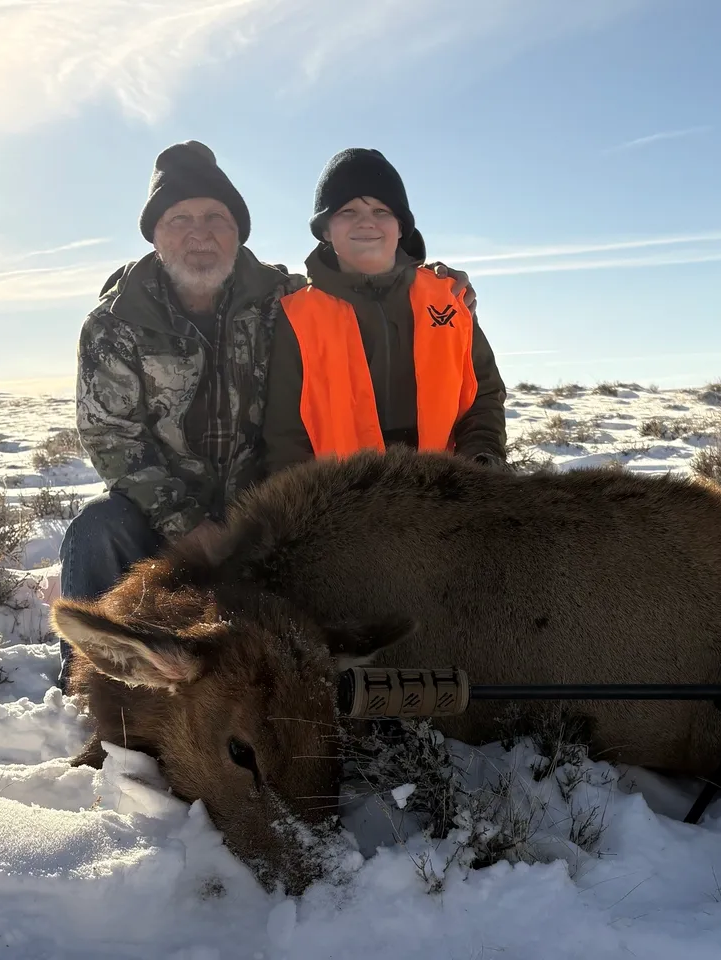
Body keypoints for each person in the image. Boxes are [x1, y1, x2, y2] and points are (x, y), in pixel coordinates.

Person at [56, 140, 476, 689]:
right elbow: (112, 438)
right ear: (155, 235)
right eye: (179, 219)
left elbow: (358, 279)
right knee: (97, 529)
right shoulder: (113, 323)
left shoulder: (284, 296)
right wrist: (188, 526)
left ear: (239, 232)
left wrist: (430, 278)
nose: (198, 233)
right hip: (158, 511)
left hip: (264, 500)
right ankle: (92, 682)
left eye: (216, 218)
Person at [262, 148, 507, 476]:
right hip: (341, 508)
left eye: (381, 210)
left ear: (401, 226)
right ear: (325, 229)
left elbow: (483, 395)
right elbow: (284, 435)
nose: (366, 222)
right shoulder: (296, 315)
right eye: (347, 211)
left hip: (446, 498)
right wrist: (306, 512)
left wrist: (480, 460)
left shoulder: (450, 297)